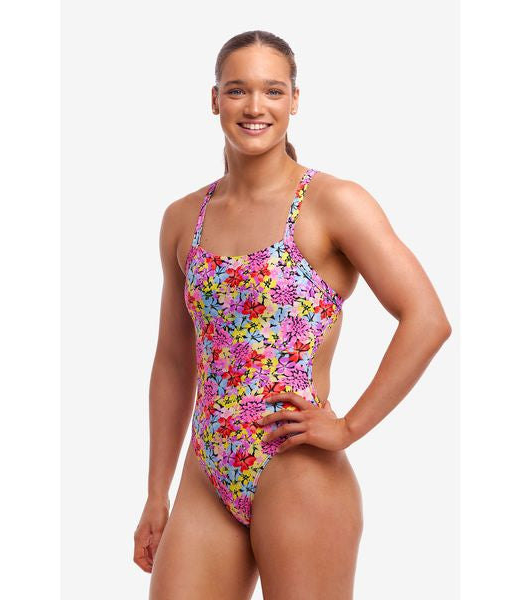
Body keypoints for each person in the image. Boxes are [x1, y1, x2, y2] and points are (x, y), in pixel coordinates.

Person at [134, 30, 452, 600]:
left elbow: (426, 318)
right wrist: (157, 493)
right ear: (214, 99)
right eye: (238, 90)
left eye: (273, 90)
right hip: (207, 472)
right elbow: (175, 362)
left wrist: (348, 427)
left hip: (297, 469)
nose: (254, 106)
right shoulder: (183, 218)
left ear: (294, 100)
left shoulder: (333, 202)